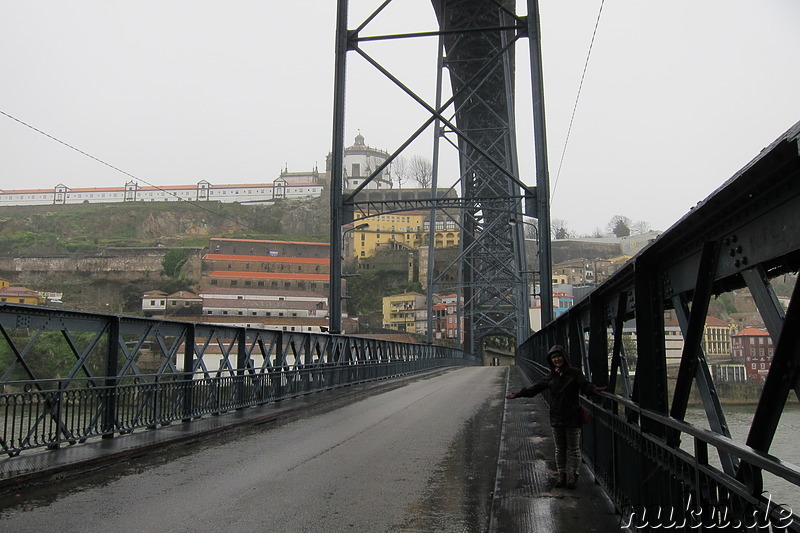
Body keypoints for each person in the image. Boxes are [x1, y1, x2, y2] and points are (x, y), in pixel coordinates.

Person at [506, 344, 605, 489]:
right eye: (553, 357)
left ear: (564, 357)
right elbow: (535, 388)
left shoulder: (575, 373)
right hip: (557, 416)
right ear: (550, 360)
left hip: (572, 416)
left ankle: (573, 475)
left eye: (558, 356)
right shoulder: (551, 376)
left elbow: (584, 385)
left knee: (573, 448)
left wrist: (594, 389)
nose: (556, 359)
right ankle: (561, 475)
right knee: (559, 448)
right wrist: (518, 394)